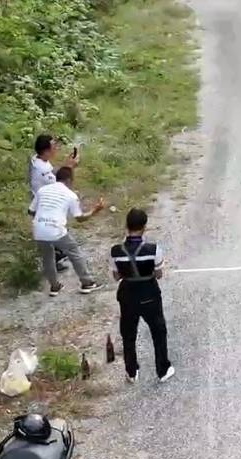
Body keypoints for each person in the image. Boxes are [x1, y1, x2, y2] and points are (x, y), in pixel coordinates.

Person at [109, 207, 173, 383]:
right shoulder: (153, 249)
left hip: (127, 294)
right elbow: (158, 274)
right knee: (158, 331)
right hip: (149, 293)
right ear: (144, 227)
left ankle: (131, 372)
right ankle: (163, 370)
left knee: (128, 333)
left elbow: (116, 276)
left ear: (126, 226)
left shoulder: (115, 251)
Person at [32, 165, 108, 295]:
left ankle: (54, 286)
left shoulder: (42, 190)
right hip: (56, 230)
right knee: (74, 252)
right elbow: (80, 218)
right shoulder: (70, 195)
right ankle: (87, 283)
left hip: (39, 230)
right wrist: (95, 210)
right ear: (68, 180)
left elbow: (31, 210)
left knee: (48, 258)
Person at [29, 134, 73, 272]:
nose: (56, 148)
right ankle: (54, 261)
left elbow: (53, 174)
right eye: (53, 146)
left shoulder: (37, 160)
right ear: (46, 151)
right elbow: (59, 184)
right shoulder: (42, 170)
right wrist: (69, 166)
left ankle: (55, 256)